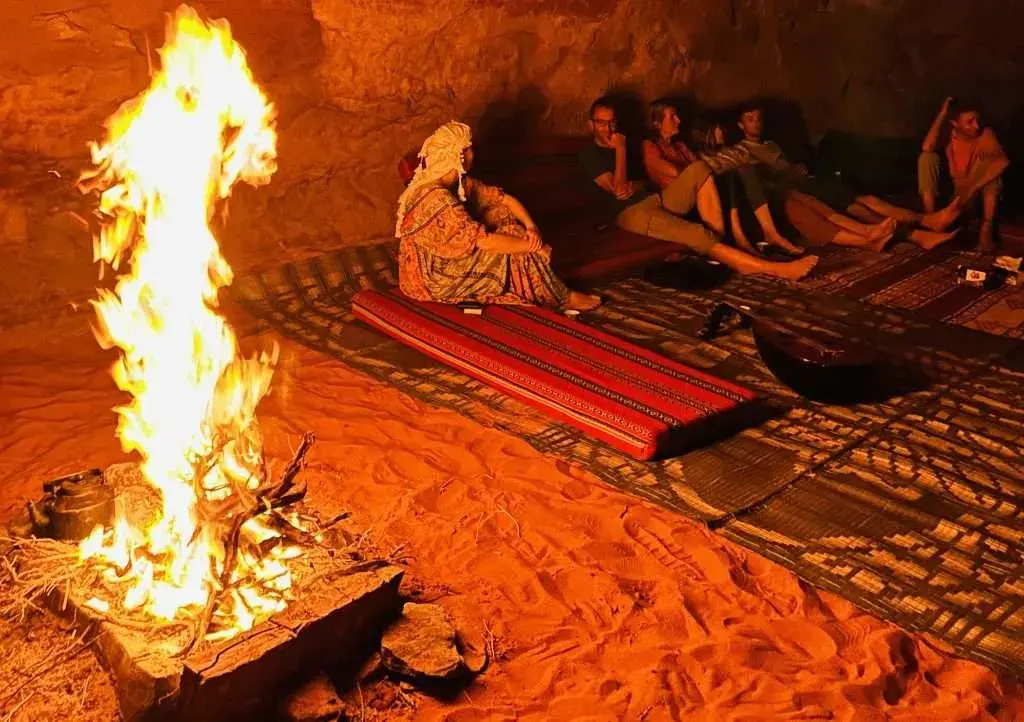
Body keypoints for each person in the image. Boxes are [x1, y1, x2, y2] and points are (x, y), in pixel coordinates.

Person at [578, 97, 818, 281]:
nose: (608, 129)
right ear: (591, 124)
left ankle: (722, 247)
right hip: (632, 213)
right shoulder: (590, 154)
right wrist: (619, 149)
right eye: (601, 123)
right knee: (695, 233)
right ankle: (776, 270)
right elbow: (619, 189)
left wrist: (635, 182)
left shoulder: (634, 148)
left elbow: (641, 183)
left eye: (612, 123)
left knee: (700, 168)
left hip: (656, 198)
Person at [396, 121, 601, 311]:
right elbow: (485, 242)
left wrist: (531, 228)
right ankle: (564, 298)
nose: (473, 154)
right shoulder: (436, 197)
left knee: (506, 220)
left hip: (447, 261)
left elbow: (504, 200)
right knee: (515, 248)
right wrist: (533, 246)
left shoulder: (459, 183)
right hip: (431, 278)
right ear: (458, 156)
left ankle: (546, 284)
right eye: (469, 149)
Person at [736, 104, 961, 249]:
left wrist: (799, 168)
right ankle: (921, 232)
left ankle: (927, 224)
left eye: (758, 118)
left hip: (808, 182)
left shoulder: (771, 144)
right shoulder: (742, 150)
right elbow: (763, 178)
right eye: (750, 119)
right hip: (795, 191)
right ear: (740, 124)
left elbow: (789, 166)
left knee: (865, 200)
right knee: (859, 209)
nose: (756, 123)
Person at [693, 119, 897, 251]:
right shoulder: (704, 160)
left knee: (818, 206)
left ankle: (867, 231)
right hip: (754, 205)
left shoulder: (733, 151)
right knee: (807, 217)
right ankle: (866, 241)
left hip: (774, 188)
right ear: (706, 132)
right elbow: (728, 184)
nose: (722, 130)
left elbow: (759, 168)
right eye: (716, 127)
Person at [642, 100, 804, 256]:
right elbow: (682, 172)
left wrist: (696, 171)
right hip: (672, 202)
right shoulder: (650, 145)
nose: (678, 120)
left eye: (677, 115)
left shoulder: (680, 146)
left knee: (739, 172)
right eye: (672, 116)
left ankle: (760, 234)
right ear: (657, 123)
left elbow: (698, 170)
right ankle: (744, 237)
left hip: (698, 197)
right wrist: (694, 171)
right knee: (714, 172)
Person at [919, 98, 1009, 252]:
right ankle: (932, 220)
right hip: (954, 197)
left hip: (975, 196)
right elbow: (927, 147)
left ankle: (986, 231)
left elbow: (1002, 162)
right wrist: (943, 113)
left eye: (977, 120)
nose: (976, 125)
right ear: (955, 124)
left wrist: (973, 187)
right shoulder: (948, 136)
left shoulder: (985, 134)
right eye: (970, 122)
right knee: (927, 158)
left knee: (992, 171)